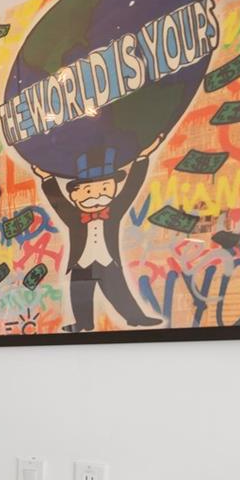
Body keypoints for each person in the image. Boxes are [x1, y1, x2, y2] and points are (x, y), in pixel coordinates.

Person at [30, 133, 165, 333]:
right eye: (87, 191)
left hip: (107, 259)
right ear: (74, 195)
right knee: (79, 293)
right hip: (81, 261)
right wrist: (46, 178)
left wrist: (142, 158)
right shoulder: (74, 217)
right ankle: (83, 323)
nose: (97, 195)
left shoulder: (114, 211)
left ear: (113, 188)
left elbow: (131, 188)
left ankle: (136, 318)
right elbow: (57, 201)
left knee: (119, 292)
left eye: (104, 188)